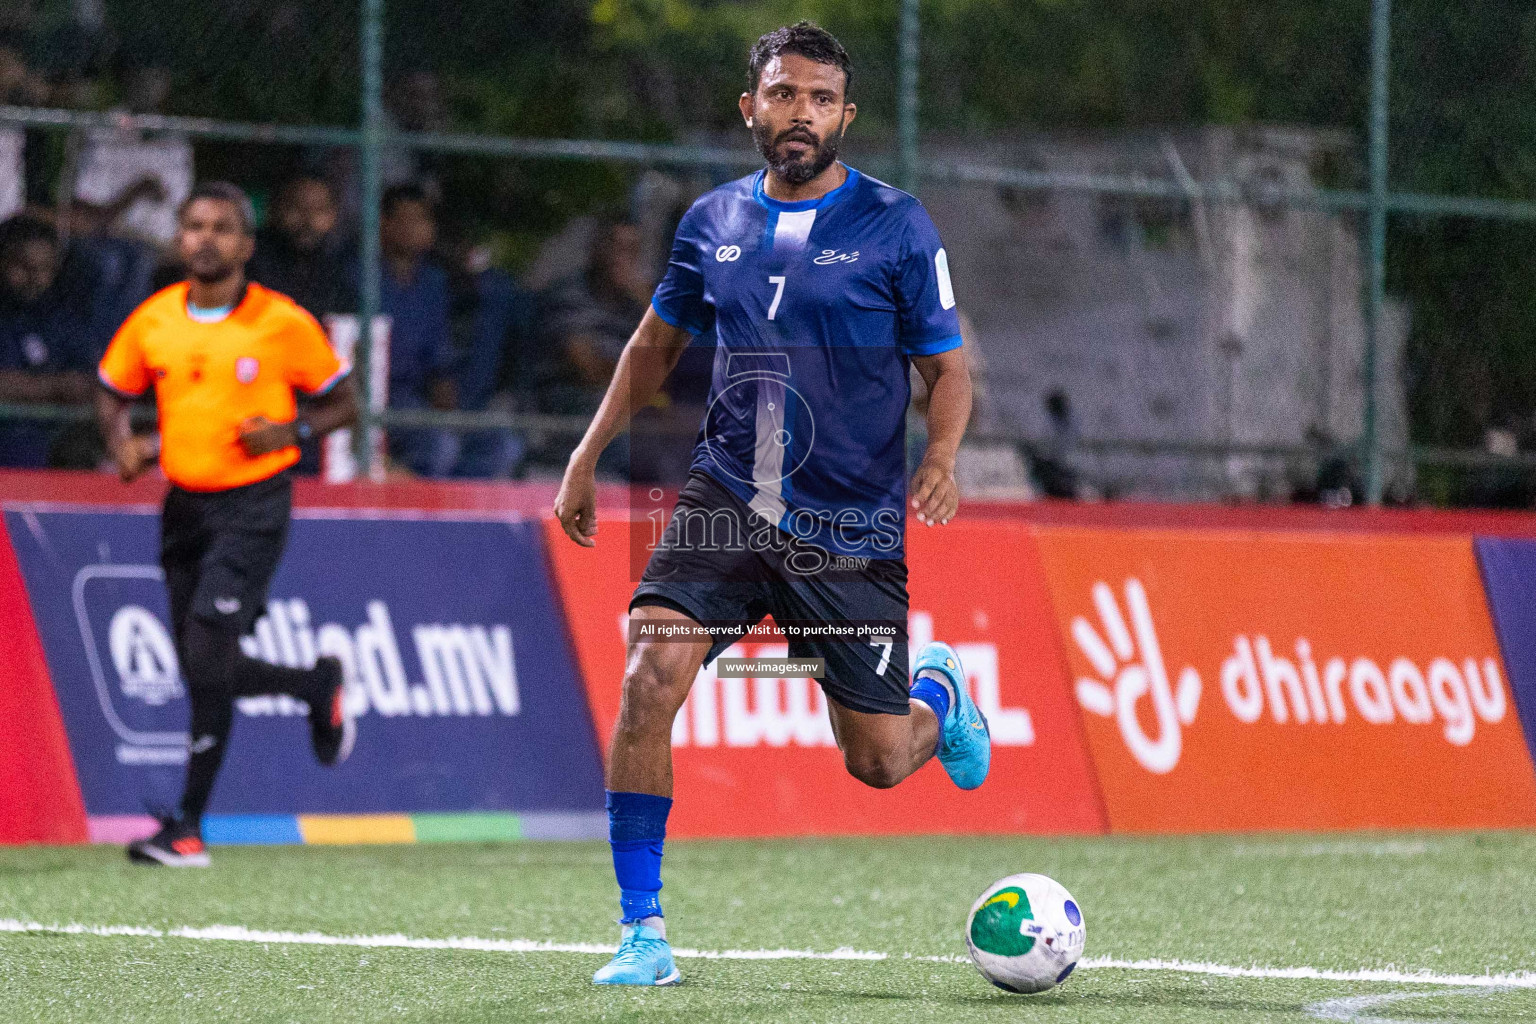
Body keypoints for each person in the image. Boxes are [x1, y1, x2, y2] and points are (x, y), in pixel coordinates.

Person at [553, 22, 987, 986]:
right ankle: (642, 932)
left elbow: (947, 371)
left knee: (874, 761)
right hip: (731, 491)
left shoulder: (898, 223)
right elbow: (651, 350)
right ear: (749, 106)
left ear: (848, 116)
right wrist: (586, 459)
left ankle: (940, 693)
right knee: (647, 674)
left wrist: (944, 455)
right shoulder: (711, 220)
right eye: (785, 95)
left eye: (822, 99)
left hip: (849, 519)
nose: (802, 115)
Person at [96, 182, 360, 867]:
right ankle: (314, 685)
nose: (205, 238)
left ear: (245, 244)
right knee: (200, 665)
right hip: (183, 507)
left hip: (254, 506)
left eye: (221, 228)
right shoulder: (154, 319)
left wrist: (291, 430)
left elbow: (344, 404)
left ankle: (186, 828)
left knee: (208, 650)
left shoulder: (281, 322)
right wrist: (122, 442)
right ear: (180, 238)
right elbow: (110, 387)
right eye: (193, 226)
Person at [357, 183, 458, 477]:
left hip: (414, 399)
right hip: (369, 396)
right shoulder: (357, 274)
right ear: (383, 224)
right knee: (441, 446)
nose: (416, 228)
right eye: (406, 219)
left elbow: (440, 362)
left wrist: (450, 412)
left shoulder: (432, 282)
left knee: (499, 443)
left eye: (423, 219)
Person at [0, 216, 95, 467]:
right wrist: (55, 388)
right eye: (23, 266)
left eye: (44, 269)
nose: (34, 277)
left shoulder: (62, 316)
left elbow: (89, 384)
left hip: (57, 445)